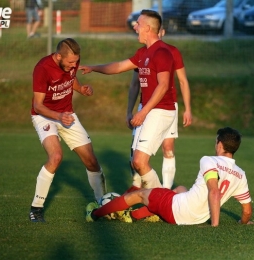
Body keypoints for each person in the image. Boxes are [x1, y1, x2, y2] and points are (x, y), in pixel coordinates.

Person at [80, 9, 176, 190]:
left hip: (160, 111)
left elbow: (163, 86)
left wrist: (143, 111)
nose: (135, 27)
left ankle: (162, 199)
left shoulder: (162, 52)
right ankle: (155, 199)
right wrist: (94, 68)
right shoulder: (142, 53)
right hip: (149, 110)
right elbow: (118, 66)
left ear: (147, 28)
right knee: (135, 162)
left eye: (138, 24)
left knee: (140, 162)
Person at [86, 127, 253, 226]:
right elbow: (246, 211)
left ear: (220, 144)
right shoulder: (241, 174)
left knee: (139, 194)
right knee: (180, 189)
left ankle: (96, 214)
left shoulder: (209, 160)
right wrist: (243, 222)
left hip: (178, 211)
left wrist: (215, 225)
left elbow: (214, 192)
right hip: (196, 218)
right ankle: (150, 213)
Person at [29, 38, 107, 222]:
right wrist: (58, 117)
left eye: (76, 62)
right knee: (56, 157)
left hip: (67, 114)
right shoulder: (42, 69)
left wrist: (81, 89)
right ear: (58, 56)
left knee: (91, 161)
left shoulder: (72, 61)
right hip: (45, 116)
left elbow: (70, 78)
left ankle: (103, 203)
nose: (74, 65)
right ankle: (36, 208)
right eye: (70, 62)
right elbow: (38, 106)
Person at [126, 28, 192, 191]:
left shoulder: (171, 51)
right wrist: (130, 110)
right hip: (146, 107)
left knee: (168, 148)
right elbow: (135, 83)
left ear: (161, 31)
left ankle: (166, 190)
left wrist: (187, 109)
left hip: (167, 107)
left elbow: (182, 81)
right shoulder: (142, 53)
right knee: (135, 151)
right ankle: (136, 186)